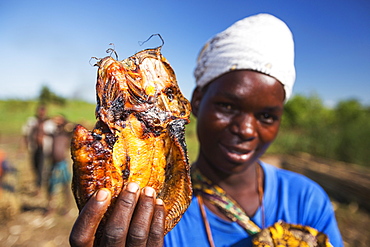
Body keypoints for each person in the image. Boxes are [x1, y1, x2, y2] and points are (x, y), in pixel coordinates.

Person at [69, 13, 343, 247]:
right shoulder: (151, 217)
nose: (246, 129)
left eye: (267, 116)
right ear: (195, 103)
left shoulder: (305, 201)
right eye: (227, 106)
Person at [22, 104, 55, 195]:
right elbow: (25, 134)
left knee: (42, 168)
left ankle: (40, 187)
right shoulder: (32, 122)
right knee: (35, 166)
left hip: (45, 148)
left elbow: (54, 135)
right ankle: (38, 184)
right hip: (34, 147)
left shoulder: (49, 123)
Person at [46, 114, 74, 215]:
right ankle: (50, 207)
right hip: (54, 164)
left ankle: (67, 207)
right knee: (51, 186)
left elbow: (75, 126)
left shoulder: (65, 134)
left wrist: (64, 123)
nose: (57, 123)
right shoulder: (54, 133)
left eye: (59, 121)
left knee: (66, 186)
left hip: (63, 165)